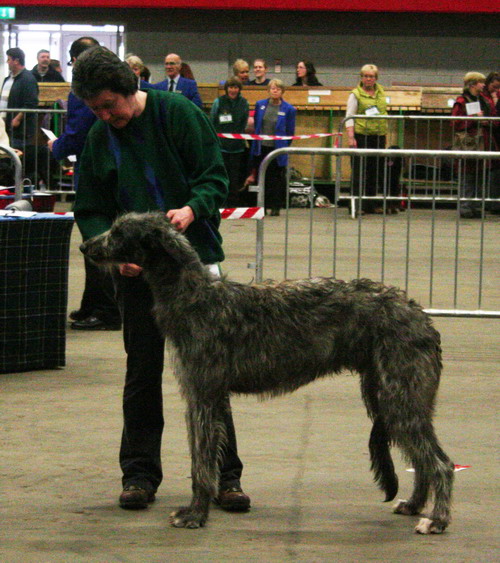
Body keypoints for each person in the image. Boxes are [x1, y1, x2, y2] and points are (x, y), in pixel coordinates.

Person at [72, 46, 250, 512]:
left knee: (210, 377)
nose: (105, 115)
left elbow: (213, 177)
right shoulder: (99, 136)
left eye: (109, 105)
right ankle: (139, 474)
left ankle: (225, 477)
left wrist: (193, 208)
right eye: (96, 110)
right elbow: (90, 208)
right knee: (142, 370)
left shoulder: (180, 114)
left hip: (195, 269)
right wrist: (117, 260)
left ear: (130, 88)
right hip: (138, 278)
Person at [48, 36, 121, 330]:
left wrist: (53, 149)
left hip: (95, 175)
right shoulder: (113, 85)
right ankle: (92, 303)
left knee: (97, 240)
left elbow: (77, 134)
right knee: (96, 241)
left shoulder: (84, 90)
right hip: (110, 172)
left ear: (77, 60)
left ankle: (106, 310)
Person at [245, 79, 296, 216]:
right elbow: (256, 126)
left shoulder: (289, 109)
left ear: (282, 91)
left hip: (277, 149)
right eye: (272, 88)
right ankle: (262, 206)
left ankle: (276, 206)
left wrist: (283, 146)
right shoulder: (260, 105)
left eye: (278, 89)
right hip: (261, 147)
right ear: (268, 90)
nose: (275, 91)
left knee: (276, 179)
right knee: (262, 177)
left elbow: (290, 132)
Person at [345, 64, 388, 215]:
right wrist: (351, 138)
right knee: (359, 172)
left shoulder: (381, 92)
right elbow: (349, 117)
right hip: (361, 136)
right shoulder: (355, 94)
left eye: (371, 76)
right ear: (361, 77)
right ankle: (355, 205)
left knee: (374, 172)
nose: (369, 79)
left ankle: (371, 204)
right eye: (366, 76)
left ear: (376, 78)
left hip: (378, 136)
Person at [452, 72, 491, 218]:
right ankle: (465, 206)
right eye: (481, 82)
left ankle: (476, 206)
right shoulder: (462, 101)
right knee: (467, 176)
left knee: (480, 176)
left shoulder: (484, 100)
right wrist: (474, 119)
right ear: (472, 84)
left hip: (482, 142)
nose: (484, 85)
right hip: (468, 143)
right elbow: (455, 121)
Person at [0, 47, 39, 182]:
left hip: (19, 130)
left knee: (17, 160)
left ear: (16, 61)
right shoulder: (8, 79)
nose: (7, 62)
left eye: (9, 59)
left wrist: (18, 118)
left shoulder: (28, 79)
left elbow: (31, 103)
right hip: (6, 128)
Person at [210, 77, 249, 206]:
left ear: (239, 89)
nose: (233, 90)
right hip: (221, 147)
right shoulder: (218, 102)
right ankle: (221, 202)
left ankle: (233, 204)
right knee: (221, 176)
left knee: (234, 178)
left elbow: (244, 123)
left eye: (236, 87)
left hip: (237, 147)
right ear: (226, 89)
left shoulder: (244, 103)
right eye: (231, 87)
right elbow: (212, 121)